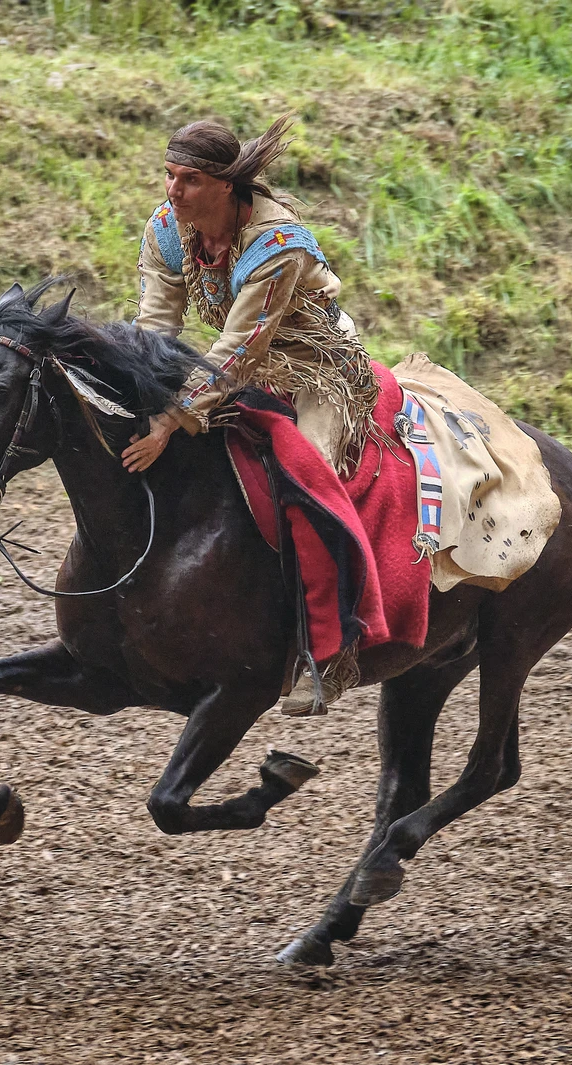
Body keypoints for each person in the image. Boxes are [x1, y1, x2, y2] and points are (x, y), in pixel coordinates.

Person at [122, 114, 379, 715]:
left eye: (189, 179)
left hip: (315, 366)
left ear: (226, 184)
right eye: (168, 175)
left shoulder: (277, 243)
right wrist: (139, 392)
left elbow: (240, 348)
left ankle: (328, 648)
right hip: (236, 363)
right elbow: (156, 326)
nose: (173, 190)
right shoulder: (167, 229)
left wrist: (171, 419)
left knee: (308, 478)